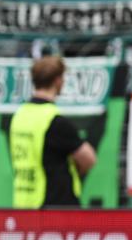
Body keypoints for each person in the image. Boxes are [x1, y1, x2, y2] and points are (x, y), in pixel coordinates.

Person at [9, 56, 97, 208]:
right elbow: (89, 159)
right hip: (55, 206)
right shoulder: (55, 121)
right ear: (57, 80)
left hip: (24, 203)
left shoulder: (19, 115)